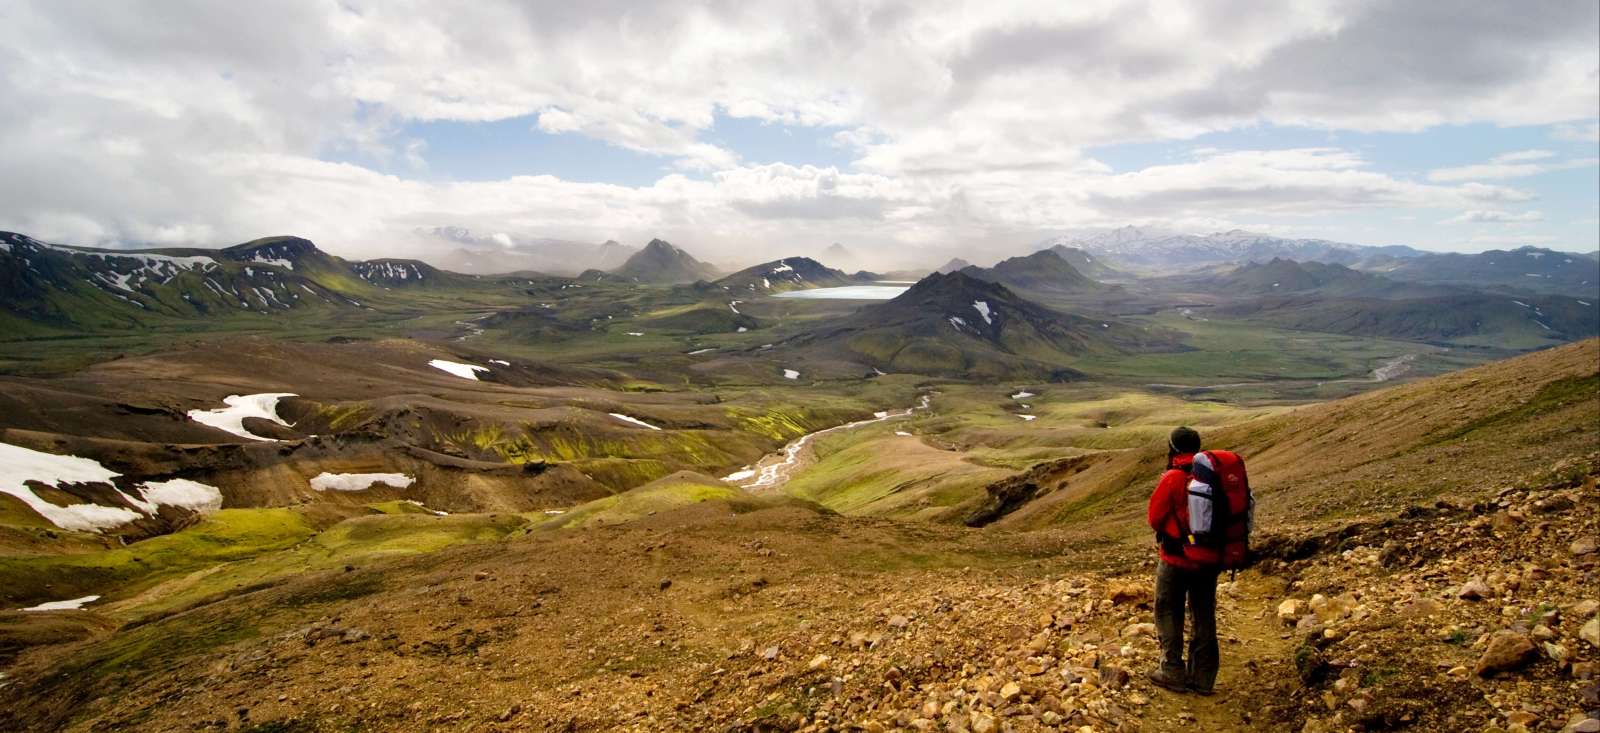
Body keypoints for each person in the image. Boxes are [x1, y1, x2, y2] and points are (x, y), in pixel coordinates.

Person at [1146, 426, 1220, 695]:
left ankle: (1172, 670)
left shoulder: (1173, 478)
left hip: (1175, 559)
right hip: (1208, 560)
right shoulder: (1212, 476)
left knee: (1168, 610)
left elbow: (1154, 518)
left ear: (1173, 448)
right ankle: (1203, 678)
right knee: (1203, 613)